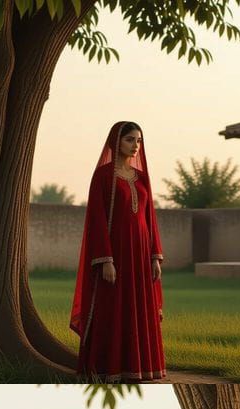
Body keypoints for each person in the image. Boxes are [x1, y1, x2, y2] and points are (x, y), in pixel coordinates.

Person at [70, 121, 167, 382]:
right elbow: (97, 220)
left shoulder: (142, 178)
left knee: (139, 309)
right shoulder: (103, 176)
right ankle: (108, 367)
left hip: (140, 253)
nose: (135, 145)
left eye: (138, 141)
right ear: (116, 141)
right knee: (113, 308)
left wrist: (155, 256)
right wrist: (106, 260)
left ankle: (140, 367)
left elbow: (150, 218)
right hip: (117, 253)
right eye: (130, 140)